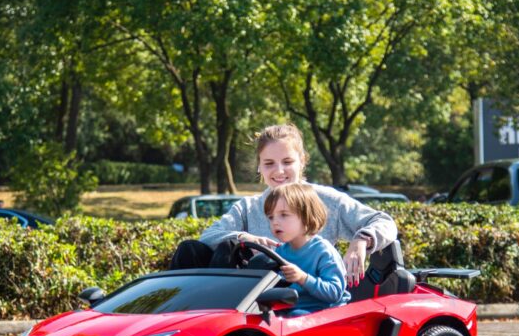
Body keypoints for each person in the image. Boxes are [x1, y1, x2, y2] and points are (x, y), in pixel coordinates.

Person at [169, 123, 397, 288]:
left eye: (287, 162)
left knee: (262, 261)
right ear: (259, 167)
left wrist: (361, 240)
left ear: (302, 161)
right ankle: (180, 319)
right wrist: (245, 238)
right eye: (269, 163)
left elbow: (384, 222)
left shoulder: (326, 200)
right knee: (191, 250)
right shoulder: (248, 207)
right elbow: (208, 236)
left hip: (304, 294)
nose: (279, 171)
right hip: (247, 299)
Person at [264, 183, 349, 316]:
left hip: (327, 314)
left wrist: (303, 278)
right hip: (291, 309)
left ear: (306, 217)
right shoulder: (279, 253)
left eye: (284, 215)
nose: (275, 222)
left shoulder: (323, 251)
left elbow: (335, 292)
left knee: (295, 316)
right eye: (271, 217)